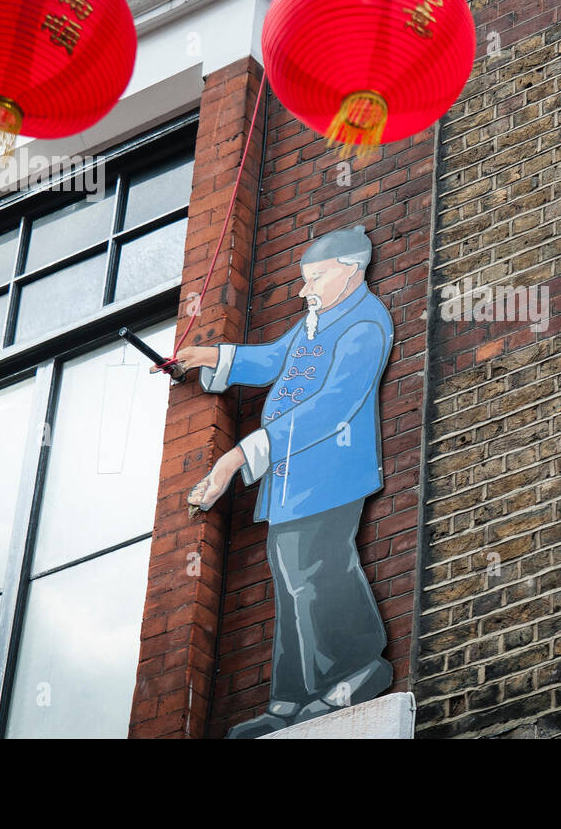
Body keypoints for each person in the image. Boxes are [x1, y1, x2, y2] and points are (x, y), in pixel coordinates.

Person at [164, 225, 394, 738]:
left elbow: (335, 405)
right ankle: (290, 700)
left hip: (331, 475)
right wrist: (207, 357)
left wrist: (241, 455)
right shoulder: (317, 319)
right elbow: (271, 359)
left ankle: (356, 671)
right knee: (290, 576)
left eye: (313, 278)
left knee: (317, 568)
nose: (303, 290)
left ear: (350, 270)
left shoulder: (365, 324)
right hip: (292, 478)